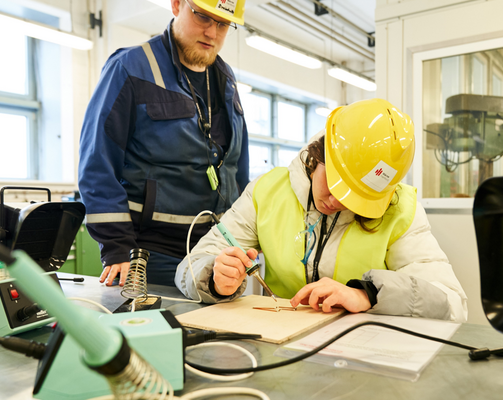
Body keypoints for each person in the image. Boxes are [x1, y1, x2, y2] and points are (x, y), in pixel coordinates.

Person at [175, 99, 468, 320]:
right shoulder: (267, 191)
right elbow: (191, 265)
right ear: (319, 155)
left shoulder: (401, 209)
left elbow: (451, 303)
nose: (337, 201)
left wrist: (368, 293)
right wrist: (214, 277)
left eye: (358, 196)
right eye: (337, 183)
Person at [78, 0, 249, 287]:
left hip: (214, 251)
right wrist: (116, 246)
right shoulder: (130, 68)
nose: (212, 33)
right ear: (177, 5)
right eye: (203, 17)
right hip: (148, 254)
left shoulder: (225, 79)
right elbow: (98, 163)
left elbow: (236, 166)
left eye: (223, 24)